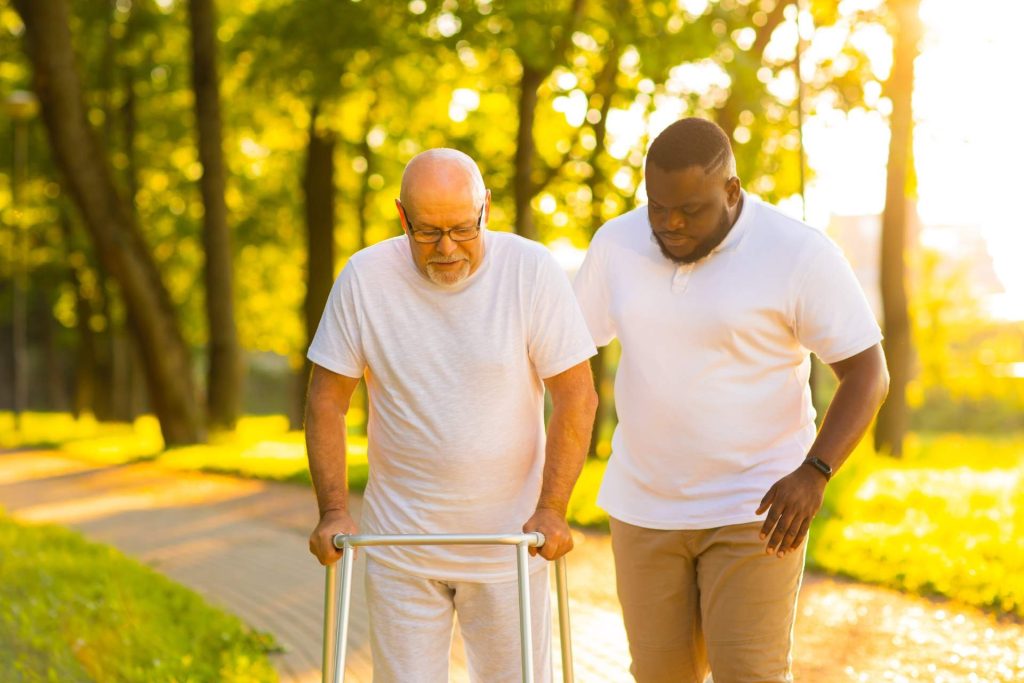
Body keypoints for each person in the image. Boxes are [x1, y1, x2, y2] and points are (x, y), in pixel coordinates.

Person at [573, 118, 889, 683]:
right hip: (643, 508)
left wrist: (814, 472)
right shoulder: (615, 245)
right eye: (657, 207)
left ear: (732, 192)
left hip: (758, 510)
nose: (669, 224)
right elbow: (566, 356)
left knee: (750, 674)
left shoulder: (797, 252)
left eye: (690, 210)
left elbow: (868, 373)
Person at [304, 148, 598, 682]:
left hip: (509, 546)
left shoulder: (530, 270)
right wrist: (332, 511)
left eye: (463, 229)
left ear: (485, 207)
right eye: (427, 232)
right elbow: (327, 400)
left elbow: (577, 395)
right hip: (402, 547)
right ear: (402, 216)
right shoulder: (365, 278)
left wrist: (553, 508)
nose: (446, 248)